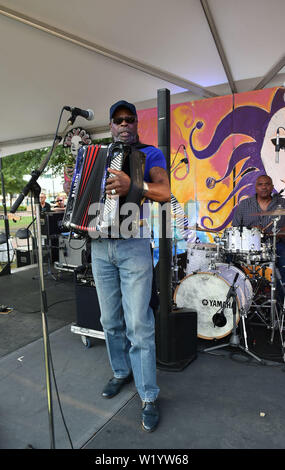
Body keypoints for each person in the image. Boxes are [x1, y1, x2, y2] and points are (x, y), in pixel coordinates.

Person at [90, 100, 170, 432]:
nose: (124, 124)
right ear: (110, 125)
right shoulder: (96, 157)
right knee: (109, 320)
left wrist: (134, 186)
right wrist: (74, 188)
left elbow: (165, 193)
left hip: (134, 244)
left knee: (139, 324)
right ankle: (121, 372)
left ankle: (148, 395)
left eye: (129, 119)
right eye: (117, 120)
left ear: (137, 123)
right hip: (99, 246)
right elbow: (86, 196)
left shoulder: (149, 154)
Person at [232, 174, 285, 293]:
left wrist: (278, 232)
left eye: (267, 184)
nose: (264, 187)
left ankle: (281, 305)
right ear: (256, 187)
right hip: (248, 248)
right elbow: (235, 228)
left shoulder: (282, 203)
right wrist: (251, 230)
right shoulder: (244, 205)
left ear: (272, 187)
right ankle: (242, 297)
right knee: (232, 262)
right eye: (260, 184)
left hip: (276, 245)